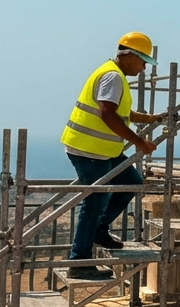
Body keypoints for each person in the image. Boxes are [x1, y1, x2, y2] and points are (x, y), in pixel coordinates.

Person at [61, 32, 161, 278]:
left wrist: (144, 118)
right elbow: (107, 114)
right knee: (93, 203)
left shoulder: (115, 76)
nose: (144, 67)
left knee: (132, 183)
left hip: (104, 151)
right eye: (142, 61)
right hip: (88, 150)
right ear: (128, 55)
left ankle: (99, 230)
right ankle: (79, 263)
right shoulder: (113, 77)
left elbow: (118, 111)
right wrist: (139, 142)